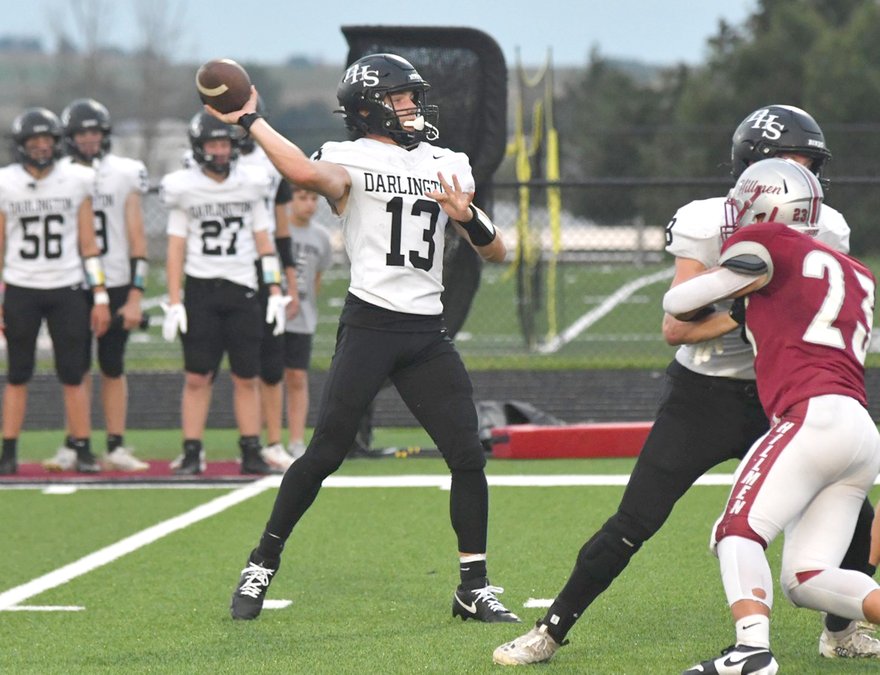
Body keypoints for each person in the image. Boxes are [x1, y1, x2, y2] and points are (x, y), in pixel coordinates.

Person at [493, 104, 880, 665]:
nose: (803, 175)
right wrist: (742, 316)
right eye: (791, 160)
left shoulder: (828, 225)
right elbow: (676, 326)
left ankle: (839, 634)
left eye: (809, 163)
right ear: (753, 166)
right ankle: (550, 631)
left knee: (856, 518)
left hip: (783, 400)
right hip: (707, 393)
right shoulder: (707, 219)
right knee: (636, 519)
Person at [206, 53, 516, 623]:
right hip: (371, 323)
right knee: (326, 452)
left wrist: (467, 216)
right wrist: (250, 120)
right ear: (370, 108)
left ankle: (473, 586)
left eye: (413, 96)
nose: (413, 106)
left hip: (426, 330)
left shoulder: (447, 162)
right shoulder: (348, 157)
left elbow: (498, 251)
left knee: (467, 454)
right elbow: (303, 174)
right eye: (401, 97)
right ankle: (261, 562)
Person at [661, 157, 880, 674]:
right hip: (860, 430)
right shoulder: (858, 272)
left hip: (810, 417)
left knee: (736, 531)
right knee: (806, 578)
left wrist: (730, 290)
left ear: (762, 207)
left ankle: (751, 652)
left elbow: (679, 302)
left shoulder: (768, 240)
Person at [161, 111, 290, 476]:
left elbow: (264, 243)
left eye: (224, 143)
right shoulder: (184, 187)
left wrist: (275, 289)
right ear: (198, 147)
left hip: (242, 289)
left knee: (246, 376)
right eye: (213, 144)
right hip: (201, 290)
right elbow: (175, 247)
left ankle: (251, 449)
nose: (219, 151)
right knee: (197, 377)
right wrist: (174, 299)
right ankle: (192, 451)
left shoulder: (251, 183)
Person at [0, 107, 110, 475]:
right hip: (21, 287)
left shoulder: (76, 179)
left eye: (47, 140)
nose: (42, 146)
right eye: (34, 140)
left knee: (74, 374)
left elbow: (89, 245)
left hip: (67, 287)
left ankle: (82, 448)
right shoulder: (6, 182)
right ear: (22, 145)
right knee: (17, 373)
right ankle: (8, 450)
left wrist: (100, 295)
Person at [57, 98, 150, 472]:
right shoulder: (58, 175)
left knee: (112, 365)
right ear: (69, 137)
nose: (89, 139)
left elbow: (137, 237)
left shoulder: (125, 172)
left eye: (94, 131)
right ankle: (74, 443)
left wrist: (136, 293)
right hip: (69, 282)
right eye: (82, 133)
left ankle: (115, 444)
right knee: (73, 368)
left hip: (115, 279)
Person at [236, 109, 301, 472]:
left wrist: (288, 280)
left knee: (271, 364)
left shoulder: (268, 164)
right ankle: (199, 447)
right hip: (224, 272)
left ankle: (274, 442)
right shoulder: (201, 170)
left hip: (264, 271)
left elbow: (282, 233)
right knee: (227, 366)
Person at [281, 186, 332, 461]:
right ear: (290, 199)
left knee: (297, 377)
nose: (309, 204)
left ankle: (297, 439)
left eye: (314, 198)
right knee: (267, 378)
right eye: (302, 197)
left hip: (302, 317)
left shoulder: (321, 237)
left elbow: (317, 279)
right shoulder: (276, 230)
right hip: (272, 316)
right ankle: (267, 440)